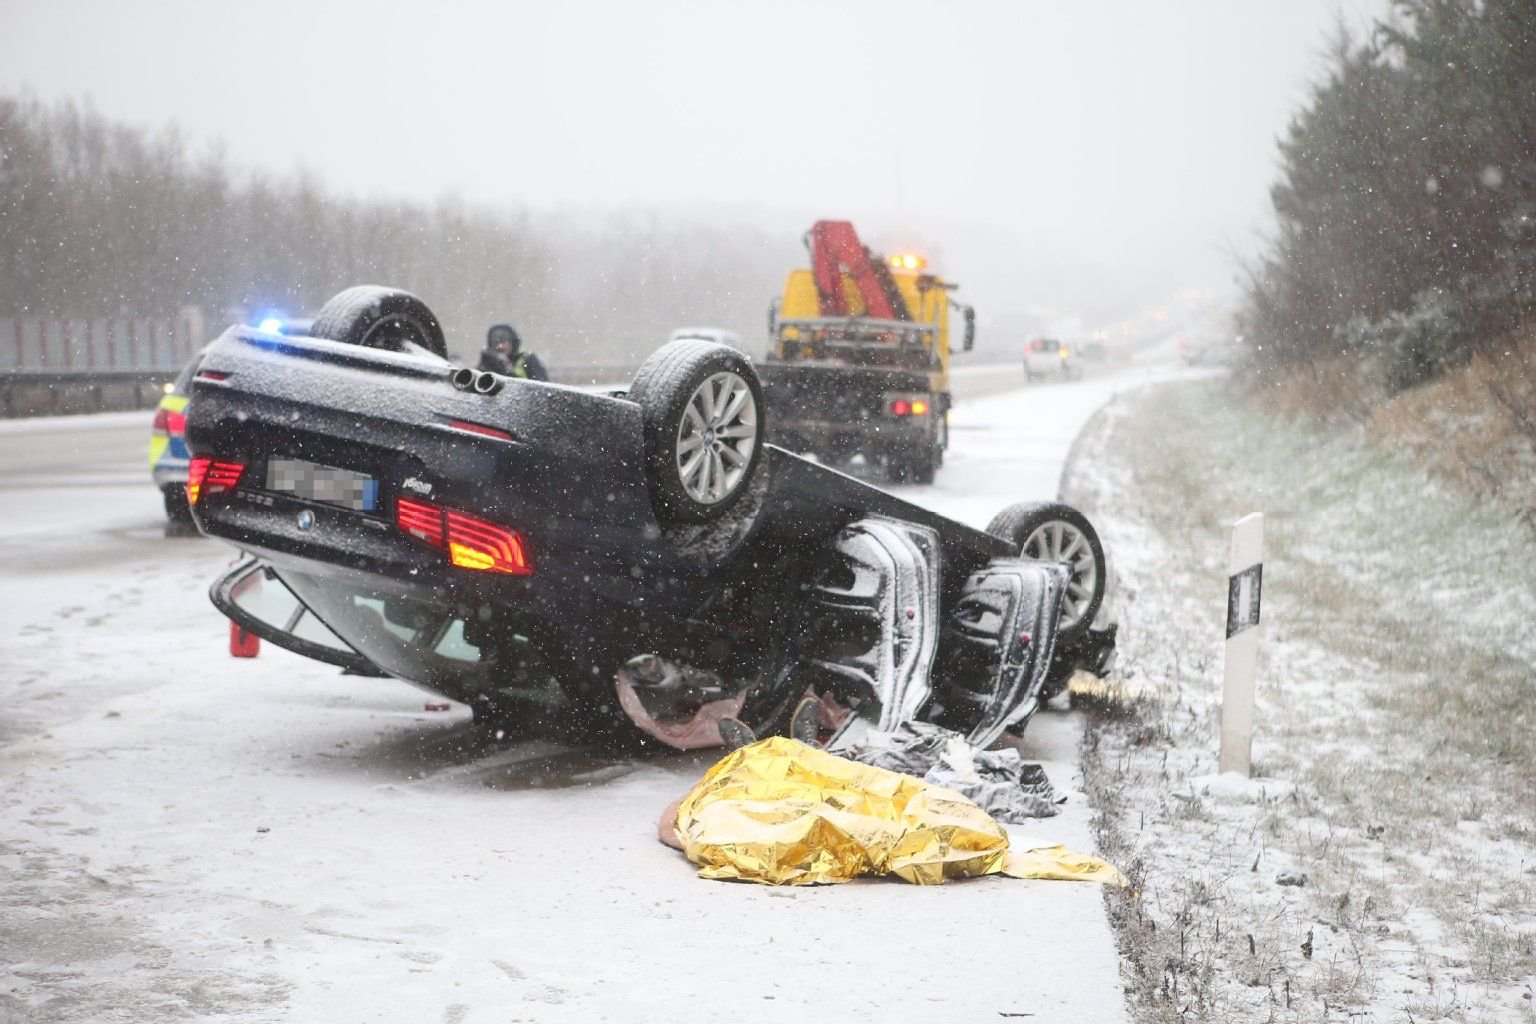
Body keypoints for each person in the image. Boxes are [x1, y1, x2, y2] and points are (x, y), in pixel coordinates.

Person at [478, 323, 548, 381]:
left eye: (504, 341)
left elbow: (541, 389)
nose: (500, 346)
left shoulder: (528, 359)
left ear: (513, 342)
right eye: (495, 343)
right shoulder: (488, 362)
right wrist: (484, 367)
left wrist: (506, 372)